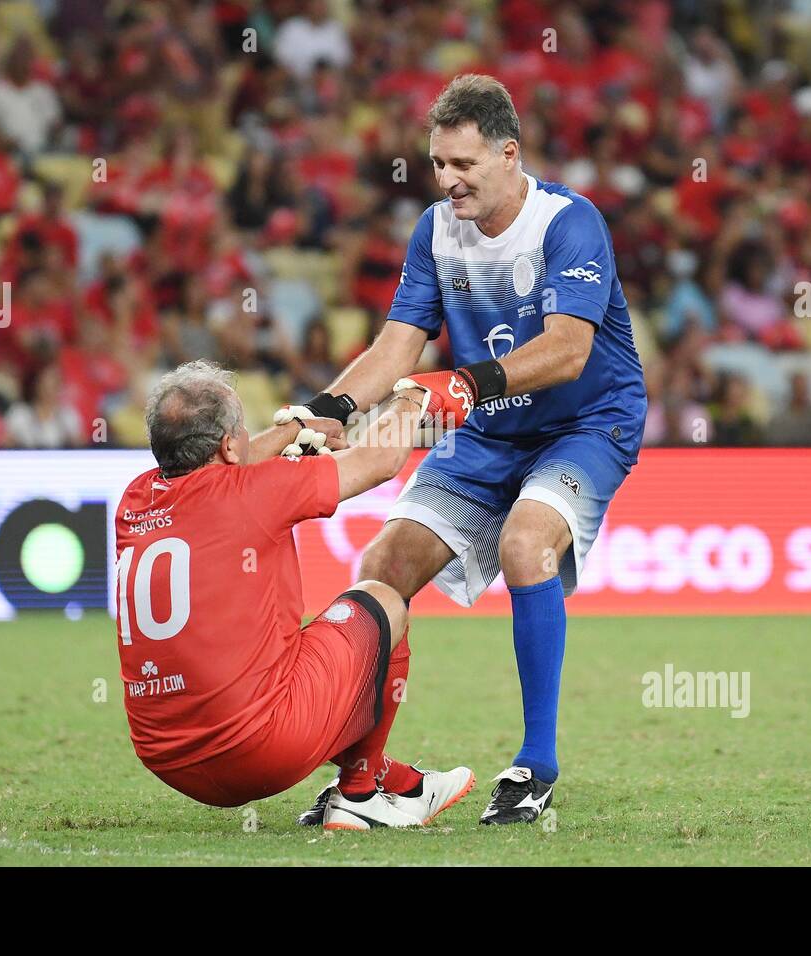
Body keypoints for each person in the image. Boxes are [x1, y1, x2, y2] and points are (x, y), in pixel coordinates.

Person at [274, 75, 648, 825]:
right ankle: (364, 777)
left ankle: (536, 766)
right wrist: (330, 408)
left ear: (510, 154)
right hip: (486, 429)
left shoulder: (569, 224)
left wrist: (463, 384)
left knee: (525, 544)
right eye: (438, 165)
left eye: (463, 165)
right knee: (381, 567)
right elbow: (398, 344)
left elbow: (570, 350)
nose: (447, 181)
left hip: (587, 423)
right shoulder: (436, 229)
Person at [116, 360, 475, 830]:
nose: (249, 438)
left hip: (165, 757)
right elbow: (377, 462)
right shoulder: (254, 490)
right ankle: (360, 792)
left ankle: (399, 779)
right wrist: (411, 402)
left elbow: (219, 471)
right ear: (228, 445)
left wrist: (292, 432)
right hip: (259, 754)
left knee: (269, 667)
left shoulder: (134, 498)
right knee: (382, 597)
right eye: (244, 430)